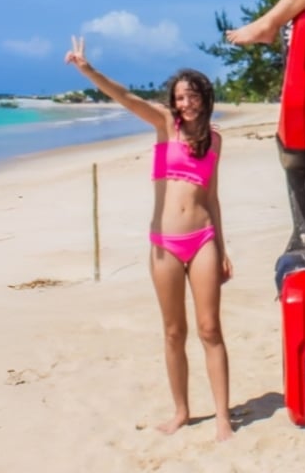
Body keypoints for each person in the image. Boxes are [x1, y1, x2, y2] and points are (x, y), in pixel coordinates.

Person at [64, 36, 235, 441]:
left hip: (204, 239)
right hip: (164, 245)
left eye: (192, 96)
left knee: (210, 329)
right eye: (180, 97)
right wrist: (87, 70)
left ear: (204, 98)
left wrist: (223, 249)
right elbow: (124, 96)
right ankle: (181, 412)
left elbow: (212, 197)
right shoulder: (164, 125)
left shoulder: (215, 140)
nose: (186, 103)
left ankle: (223, 417)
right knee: (174, 331)